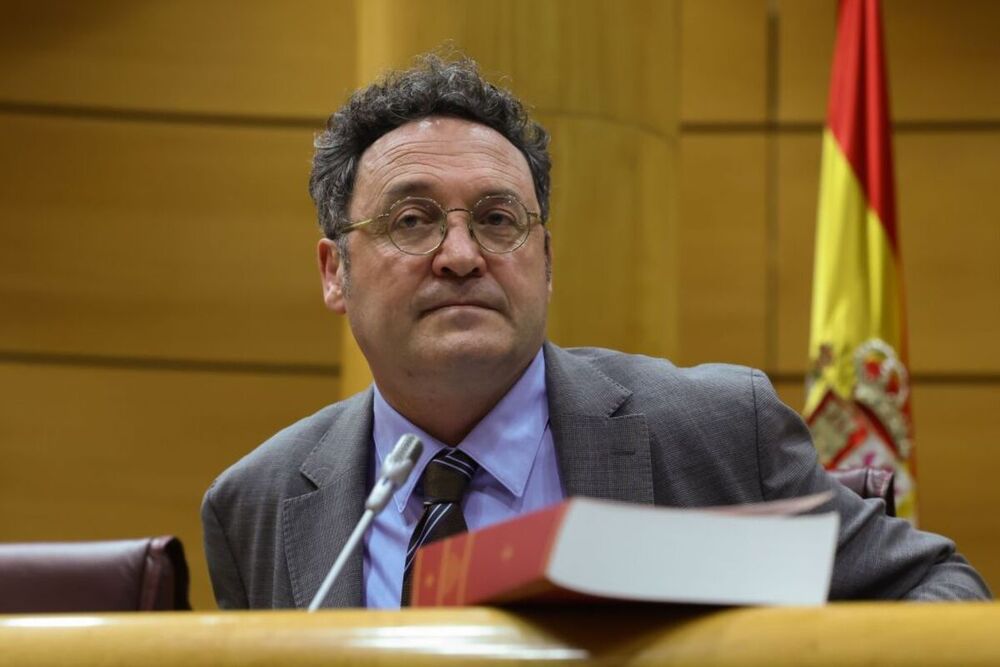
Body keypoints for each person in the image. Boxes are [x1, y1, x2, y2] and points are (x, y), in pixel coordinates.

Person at [201, 53, 991, 609]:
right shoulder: (259, 504)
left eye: (497, 218)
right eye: (412, 221)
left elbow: (947, 592)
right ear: (334, 270)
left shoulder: (713, 431)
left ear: (544, 261)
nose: (462, 255)